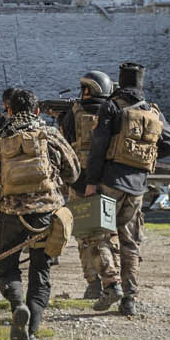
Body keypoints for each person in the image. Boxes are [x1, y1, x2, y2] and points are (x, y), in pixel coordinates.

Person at [79, 60, 170, 318]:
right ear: (141, 83)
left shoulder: (111, 107)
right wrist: (144, 161)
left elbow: (99, 148)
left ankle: (111, 285)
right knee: (130, 243)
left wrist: (91, 181)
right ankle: (130, 300)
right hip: (137, 187)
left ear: (119, 83)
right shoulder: (153, 111)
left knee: (96, 235)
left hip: (109, 183)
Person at [0, 86, 80, 340]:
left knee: (5, 264)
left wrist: (2, 203)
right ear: (37, 111)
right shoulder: (50, 135)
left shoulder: (0, 138)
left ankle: (18, 306)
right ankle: (31, 335)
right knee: (41, 271)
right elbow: (74, 172)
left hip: (11, 214)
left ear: (10, 110)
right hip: (46, 215)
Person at [65, 70, 120, 307]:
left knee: (86, 237)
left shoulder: (73, 114)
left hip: (80, 184)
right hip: (109, 183)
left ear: (88, 90)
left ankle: (102, 283)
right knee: (108, 234)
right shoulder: (115, 112)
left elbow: (65, 147)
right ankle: (113, 280)